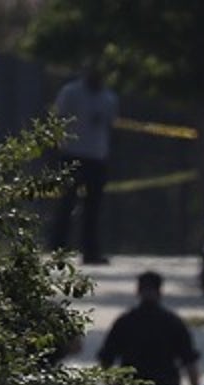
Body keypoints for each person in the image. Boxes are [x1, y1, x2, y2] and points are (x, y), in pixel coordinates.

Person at [48, 62, 118, 264]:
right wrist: (57, 148)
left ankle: (91, 251)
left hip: (97, 156)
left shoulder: (109, 98)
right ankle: (58, 249)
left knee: (93, 208)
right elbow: (58, 119)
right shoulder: (70, 92)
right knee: (65, 204)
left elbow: (110, 126)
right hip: (72, 153)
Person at [97, 271, 201, 385]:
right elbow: (189, 361)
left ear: (138, 292)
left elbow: (106, 359)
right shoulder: (172, 322)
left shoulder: (125, 322)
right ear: (160, 292)